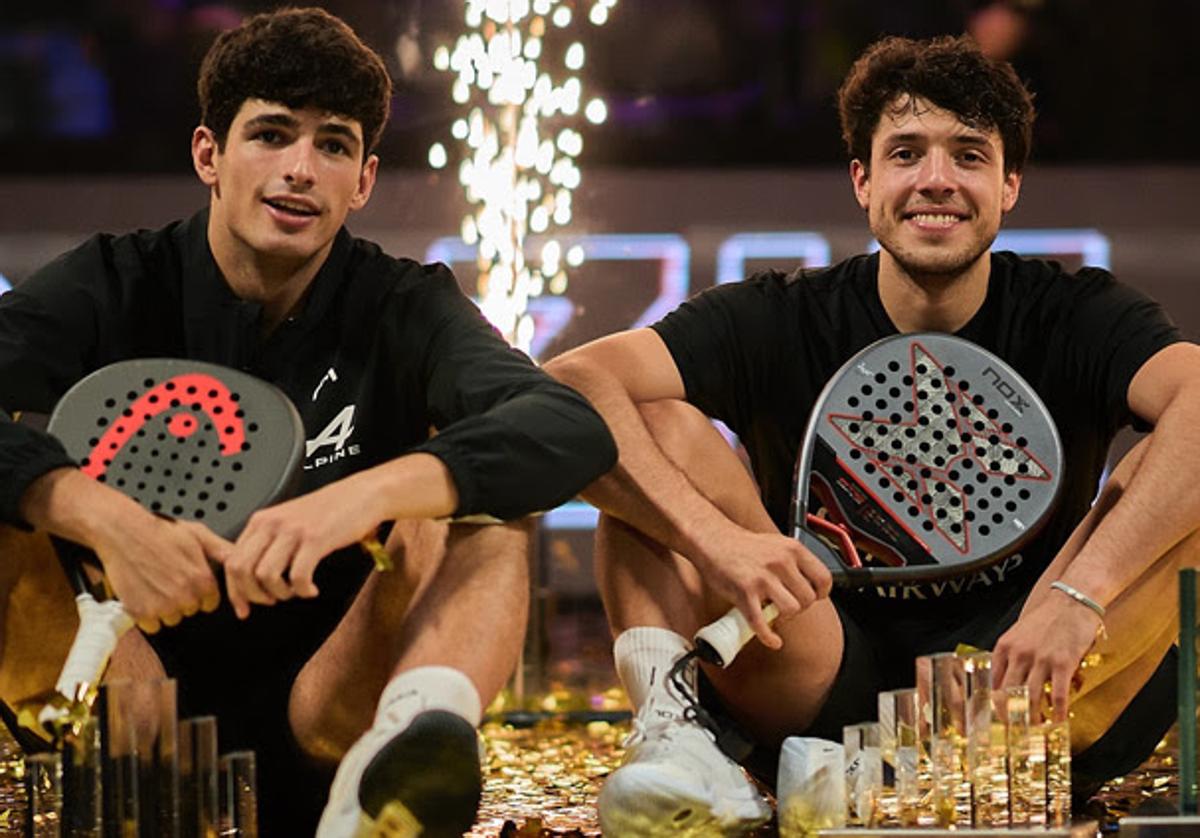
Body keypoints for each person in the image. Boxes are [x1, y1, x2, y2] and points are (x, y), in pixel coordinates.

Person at [547, 34, 1200, 834]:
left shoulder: (1076, 315)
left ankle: (964, 770)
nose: (936, 180)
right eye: (905, 153)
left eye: (968, 154)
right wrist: (716, 541)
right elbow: (567, 387)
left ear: (1011, 183)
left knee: (1174, 474)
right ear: (863, 180)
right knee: (648, 423)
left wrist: (1077, 596)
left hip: (1023, 691)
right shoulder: (779, 316)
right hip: (812, 679)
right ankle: (676, 742)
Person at [0, 8, 616, 836]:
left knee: (484, 495)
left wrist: (365, 496)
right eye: (271, 135)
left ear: (362, 180)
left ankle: (408, 755)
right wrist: (96, 514)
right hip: (122, 697)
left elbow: (564, 428)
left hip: (330, 712)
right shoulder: (112, 282)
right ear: (208, 155)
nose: (300, 170)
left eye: (332, 145)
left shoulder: (403, 303)